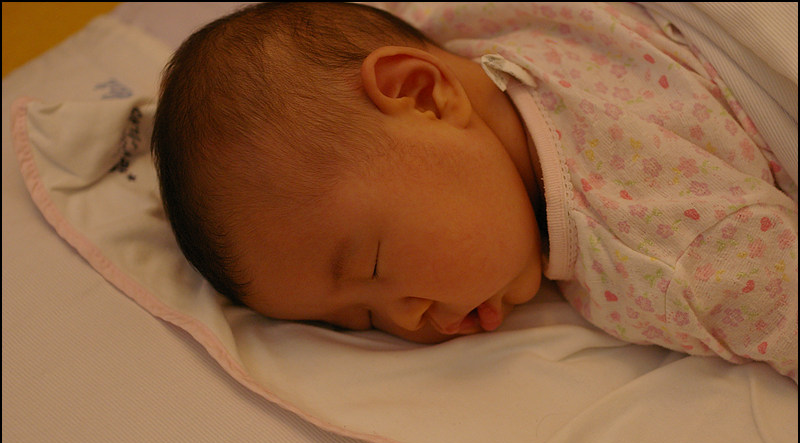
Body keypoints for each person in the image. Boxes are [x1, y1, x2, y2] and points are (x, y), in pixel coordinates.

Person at [151, 2, 798, 381]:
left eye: (372, 268)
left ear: (421, 93)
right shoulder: (662, 253)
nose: (406, 319)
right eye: (364, 321)